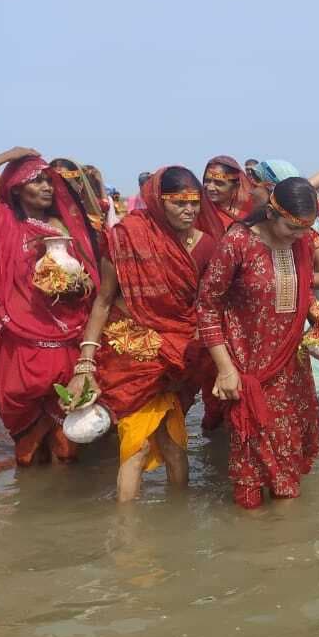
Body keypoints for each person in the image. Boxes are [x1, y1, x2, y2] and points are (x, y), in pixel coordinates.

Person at [69, 167, 223, 501]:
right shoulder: (127, 237)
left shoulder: (206, 246)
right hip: (131, 355)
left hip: (179, 356)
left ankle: (176, 525)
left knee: (174, 443)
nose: (189, 210)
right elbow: (104, 301)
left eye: (195, 203)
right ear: (157, 200)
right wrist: (85, 363)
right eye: (179, 202)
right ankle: (127, 541)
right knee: (135, 447)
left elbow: (210, 307)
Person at [0, 148, 100, 465]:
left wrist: (78, 286)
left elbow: (90, 276)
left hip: (65, 334)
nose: (47, 187)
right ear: (16, 187)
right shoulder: (0, 218)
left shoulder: (63, 225)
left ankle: (63, 505)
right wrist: (6, 157)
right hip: (20, 339)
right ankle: (30, 498)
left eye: (48, 180)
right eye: (36, 181)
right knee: (27, 444)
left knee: (69, 434)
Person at [198, 178, 319, 508]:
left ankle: (287, 544)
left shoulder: (302, 242)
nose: (301, 237)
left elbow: (302, 290)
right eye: (293, 228)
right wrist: (225, 369)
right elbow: (207, 306)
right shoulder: (238, 243)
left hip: (292, 367)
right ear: (271, 213)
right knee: (253, 458)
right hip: (248, 368)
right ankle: (253, 541)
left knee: (288, 455)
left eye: (306, 229)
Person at [240, 159, 319, 400]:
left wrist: (279, 280)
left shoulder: (305, 230)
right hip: (253, 337)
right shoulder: (242, 236)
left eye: (256, 185)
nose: (250, 192)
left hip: (295, 325)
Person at [204, 155, 255, 229]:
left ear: (235, 187)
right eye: (207, 181)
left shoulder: (249, 216)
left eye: (218, 183)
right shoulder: (198, 214)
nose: (210, 188)